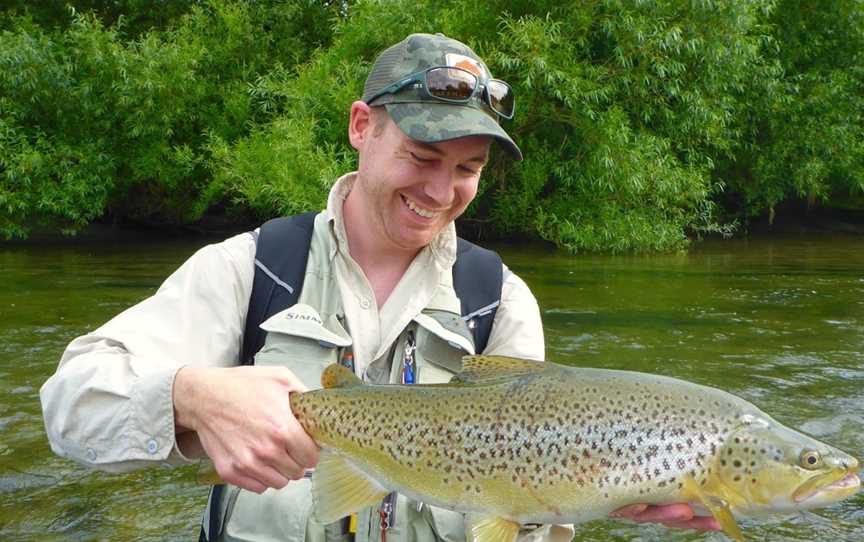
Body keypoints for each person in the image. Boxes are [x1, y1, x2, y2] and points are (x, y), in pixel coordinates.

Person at [40, 33, 718, 541]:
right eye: (422, 157)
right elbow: (70, 406)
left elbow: (523, 519)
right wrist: (190, 397)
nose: (439, 190)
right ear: (361, 126)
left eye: (467, 169)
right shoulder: (252, 270)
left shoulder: (499, 302)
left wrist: (592, 494)